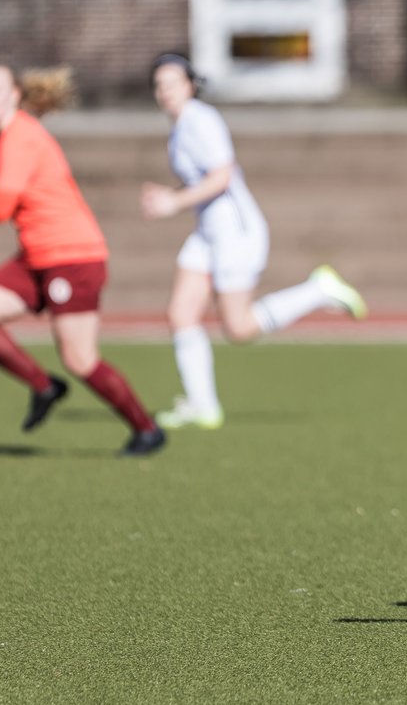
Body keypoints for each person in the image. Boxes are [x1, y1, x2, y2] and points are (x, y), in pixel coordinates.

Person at [0, 61, 165, 456]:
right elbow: (11, 187)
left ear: (14, 95)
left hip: (72, 258)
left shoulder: (19, 135)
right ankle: (44, 385)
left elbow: (2, 208)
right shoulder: (11, 133)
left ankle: (146, 430)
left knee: (80, 359)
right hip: (35, 257)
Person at [142, 53, 368, 430]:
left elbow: (222, 177)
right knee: (180, 314)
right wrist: (172, 195)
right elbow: (200, 181)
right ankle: (202, 406)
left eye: (172, 83)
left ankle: (318, 289)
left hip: (235, 232)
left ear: (190, 85)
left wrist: (174, 202)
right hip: (207, 233)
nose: (165, 91)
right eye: (159, 84)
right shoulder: (180, 126)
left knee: (239, 328)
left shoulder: (201, 120)